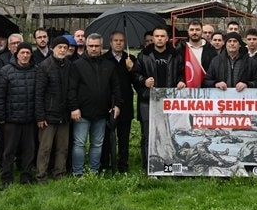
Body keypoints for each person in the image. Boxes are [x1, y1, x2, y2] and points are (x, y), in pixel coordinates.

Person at [68, 34, 123, 176]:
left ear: (101, 47)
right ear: (86, 46)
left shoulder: (109, 66)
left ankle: (93, 171)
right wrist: (74, 107)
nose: (93, 48)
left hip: (102, 112)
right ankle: (78, 172)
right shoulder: (77, 65)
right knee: (79, 143)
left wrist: (117, 105)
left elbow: (116, 87)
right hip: (82, 113)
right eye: (91, 46)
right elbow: (71, 89)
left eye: (96, 46)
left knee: (97, 144)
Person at [133, 27, 185, 169]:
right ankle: (148, 166)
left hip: (169, 100)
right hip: (149, 100)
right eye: (157, 36)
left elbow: (182, 72)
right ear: (153, 38)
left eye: (163, 36)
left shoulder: (175, 55)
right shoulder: (143, 55)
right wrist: (144, 81)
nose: (160, 38)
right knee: (148, 134)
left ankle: (169, 163)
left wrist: (181, 80)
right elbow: (135, 75)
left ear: (167, 38)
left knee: (168, 132)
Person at [0, 42, 38, 188]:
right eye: (22, 53)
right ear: (17, 54)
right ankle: (6, 177)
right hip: (11, 119)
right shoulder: (6, 71)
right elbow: (0, 96)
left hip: (29, 118)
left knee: (29, 150)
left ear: (31, 55)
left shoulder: (36, 71)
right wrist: (1, 117)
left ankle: (26, 176)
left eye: (27, 53)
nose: (25, 56)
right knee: (9, 151)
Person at [35, 36, 73, 181]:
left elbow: (71, 89)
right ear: (53, 48)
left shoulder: (69, 65)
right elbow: (38, 93)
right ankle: (41, 175)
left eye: (65, 48)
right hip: (48, 115)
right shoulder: (45, 66)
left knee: (62, 148)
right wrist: (40, 116)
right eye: (60, 47)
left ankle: (59, 173)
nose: (62, 50)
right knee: (45, 148)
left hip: (64, 115)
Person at [101, 31, 138, 173]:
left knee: (124, 137)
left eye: (121, 40)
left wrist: (131, 69)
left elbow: (136, 81)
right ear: (110, 43)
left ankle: (123, 164)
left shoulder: (130, 58)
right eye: (115, 40)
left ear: (125, 43)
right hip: (108, 103)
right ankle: (106, 163)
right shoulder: (104, 59)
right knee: (107, 136)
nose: (118, 43)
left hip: (126, 103)